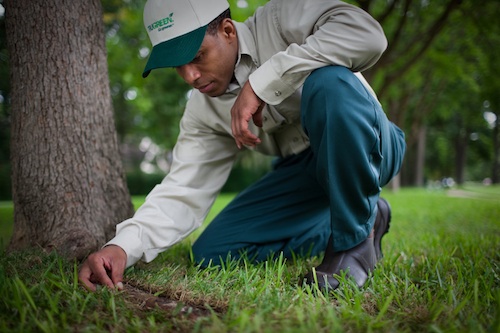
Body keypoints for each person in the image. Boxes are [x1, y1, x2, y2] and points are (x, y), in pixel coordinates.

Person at [79, 0, 406, 292]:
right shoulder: (202, 111)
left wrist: (263, 83)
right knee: (213, 251)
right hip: (303, 172)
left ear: (227, 30)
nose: (190, 75)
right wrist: (121, 247)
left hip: (372, 144)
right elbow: (183, 191)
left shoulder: (281, 18)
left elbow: (368, 34)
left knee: (330, 83)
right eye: (177, 65)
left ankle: (353, 245)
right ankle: (368, 215)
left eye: (196, 56)